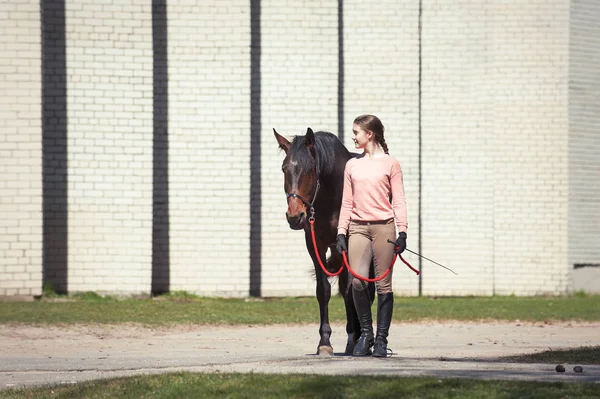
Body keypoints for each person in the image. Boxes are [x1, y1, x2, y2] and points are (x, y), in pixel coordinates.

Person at [336, 114, 408, 358]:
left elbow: (398, 199)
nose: (353, 137)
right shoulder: (352, 165)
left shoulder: (391, 164)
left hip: (384, 228)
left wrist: (403, 231)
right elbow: (347, 202)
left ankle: (381, 340)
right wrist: (341, 233)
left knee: (383, 285)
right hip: (357, 228)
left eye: (357, 132)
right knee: (356, 281)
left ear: (370, 134)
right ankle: (365, 334)